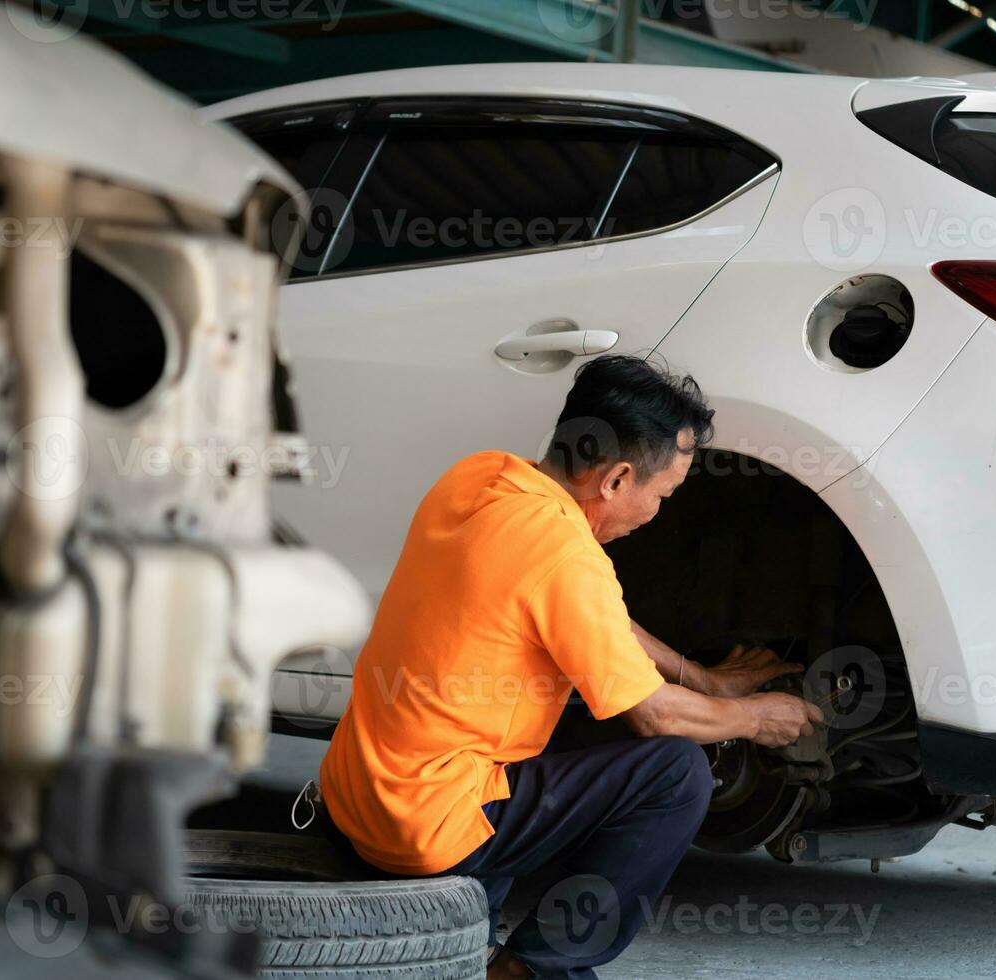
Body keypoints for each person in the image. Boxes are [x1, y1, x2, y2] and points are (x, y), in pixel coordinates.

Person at [317, 355, 823, 979]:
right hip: (424, 826)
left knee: (560, 703)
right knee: (676, 772)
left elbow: (595, 620)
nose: (656, 513)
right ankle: (534, 968)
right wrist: (753, 717)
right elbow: (659, 719)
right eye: (661, 494)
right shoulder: (565, 555)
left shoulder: (479, 479)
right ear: (615, 481)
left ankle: (472, 933)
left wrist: (706, 679)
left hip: (354, 797)